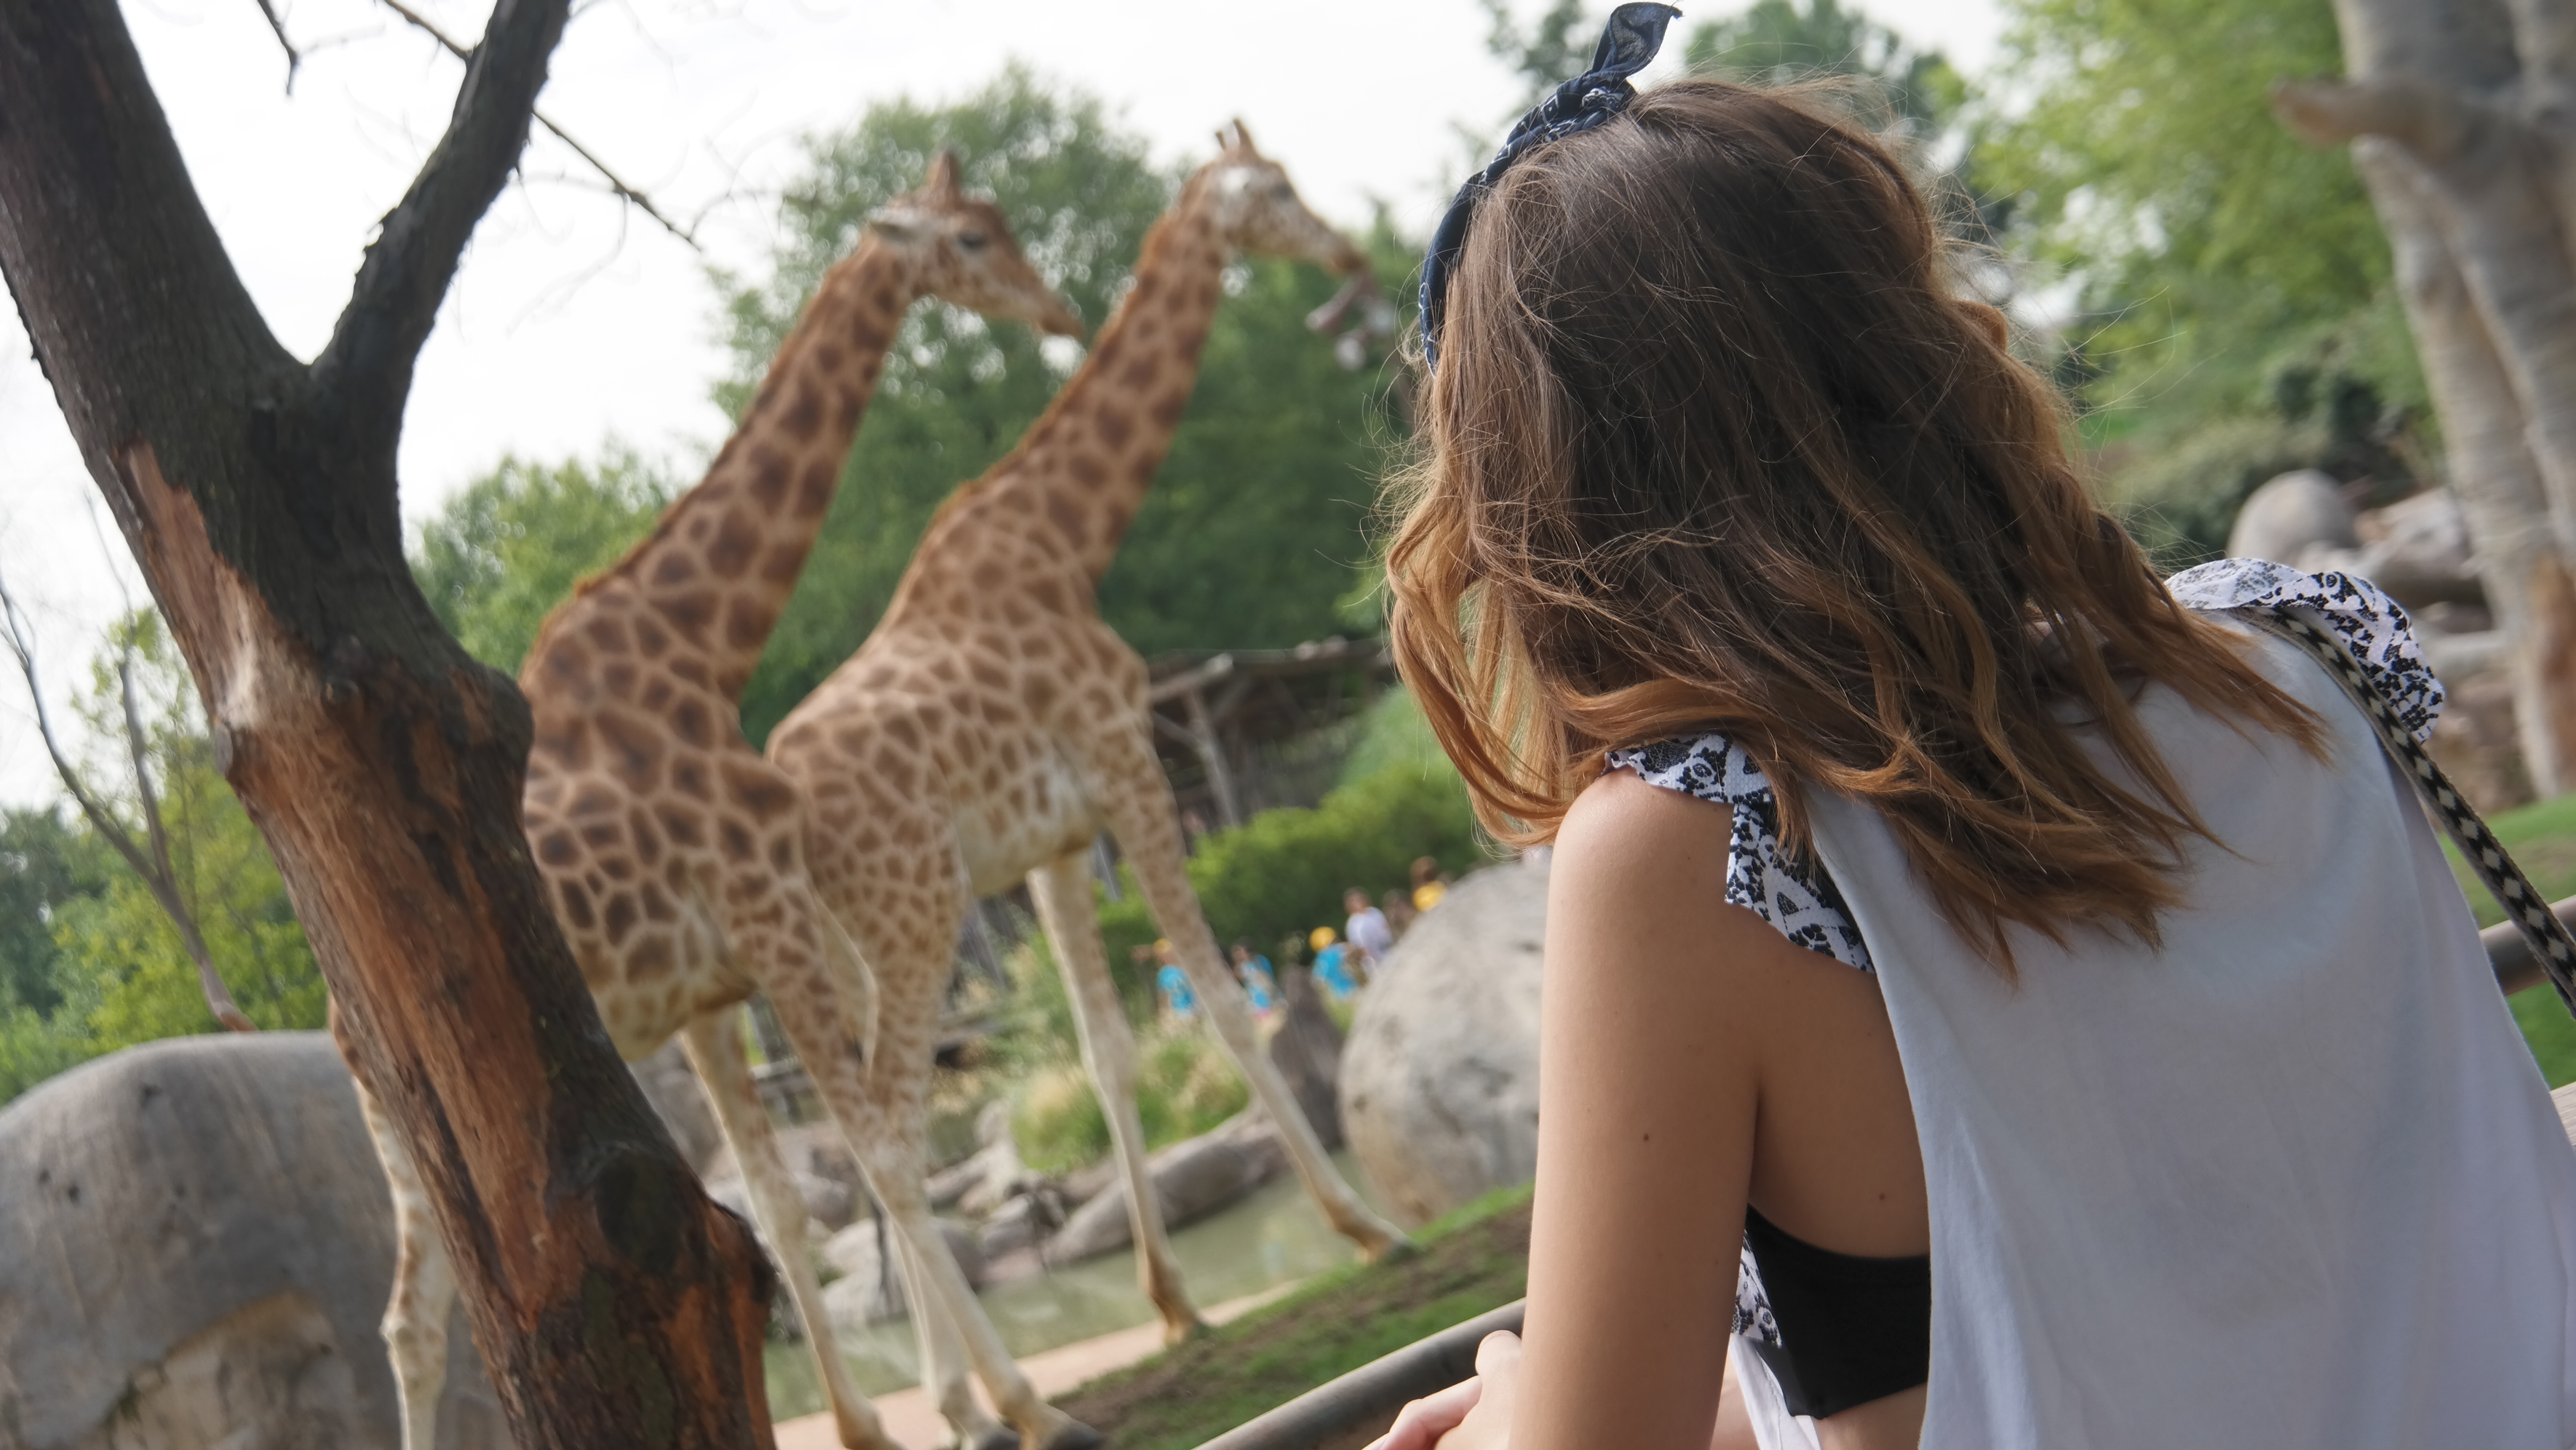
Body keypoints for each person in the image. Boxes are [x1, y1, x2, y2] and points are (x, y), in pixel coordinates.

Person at [1371, 9, 2576, 1449]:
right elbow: (2177, 1301)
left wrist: (1517, 1385)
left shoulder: (1704, 855)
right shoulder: (2290, 662)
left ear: (1542, 498)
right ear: (1919, 346)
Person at [1345, 888, 1396, 974]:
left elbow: (1385, 928)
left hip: (1389, 949)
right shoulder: (1354, 923)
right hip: (1375, 962)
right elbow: (1360, 946)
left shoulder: (1374, 911)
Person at [1230, 939, 1280, 1019]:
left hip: (1265, 1001)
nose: (1239, 956)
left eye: (1240, 953)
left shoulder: (1255, 963)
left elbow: (1240, 975)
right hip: (1258, 1002)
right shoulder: (1255, 962)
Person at [1150, 938, 1196, 1022]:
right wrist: (1165, 1016)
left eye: (1167, 953)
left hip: (1195, 1009)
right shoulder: (1163, 974)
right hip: (1178, 1013)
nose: (1165, 956)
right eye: (1161, 955)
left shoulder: (1186, 967)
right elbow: (1163, 995)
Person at [1309, 926, 1358, 1002]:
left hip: (1337, 997)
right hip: (1351, 989)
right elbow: (1352, 948)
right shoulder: (1333, 951)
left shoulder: (1319, 961)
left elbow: (1316, 981)